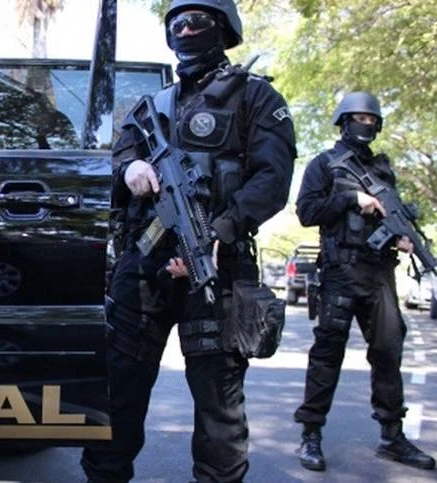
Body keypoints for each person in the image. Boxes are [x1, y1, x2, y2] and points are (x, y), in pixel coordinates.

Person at [80, 1, 296, 481]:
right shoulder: (151, 107)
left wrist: (221, 230)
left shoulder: (257, 97)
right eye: (177, 23)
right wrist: (131, 169)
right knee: (117, 393)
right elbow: (111, 168)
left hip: (216, 266)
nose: (186, 31)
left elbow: (273, 180)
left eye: (196, 22)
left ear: (224, 30)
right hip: (144, 267)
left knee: (219, 407)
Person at [293, 91, 437, 471]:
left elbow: (386, 220)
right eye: (359, 118)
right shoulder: (325, 164)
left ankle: (392, 436)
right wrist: (351, 199)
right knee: (327, 355)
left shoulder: (383, 170)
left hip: (379, 274)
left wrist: (401, 238)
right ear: (344, 122)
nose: (366, 125)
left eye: (372, 120)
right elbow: (306, 212)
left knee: (389, 352)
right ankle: (311, 435)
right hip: (341, 271)